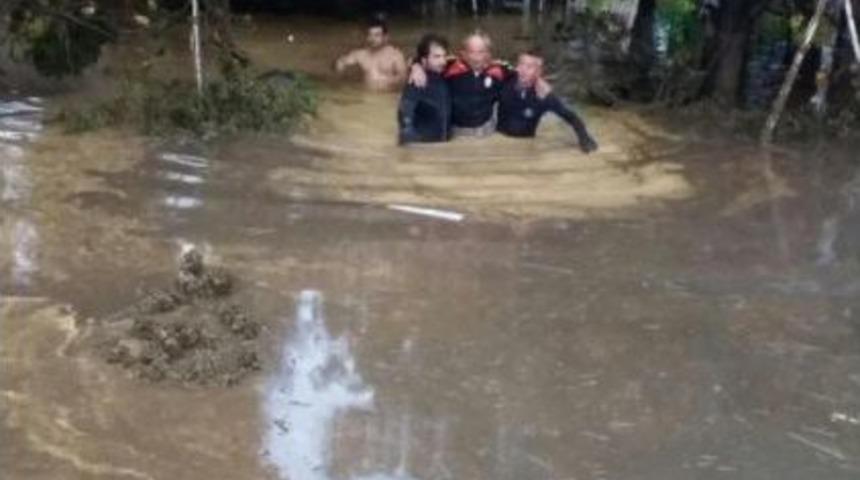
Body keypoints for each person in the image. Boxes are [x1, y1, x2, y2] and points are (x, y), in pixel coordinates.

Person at [408, 31, 550, 137]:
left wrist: (538, 80)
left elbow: (524, 75)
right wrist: (416, 67)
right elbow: (423, 61)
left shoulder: (499, 69)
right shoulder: (450, 66)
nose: (476, 58)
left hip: (487, 131)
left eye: (481, 52)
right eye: (472, 52)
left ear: (488, 53)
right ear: (463, 53)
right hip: (456, 132)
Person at [497, 51, 598, 153]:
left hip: (526, 146)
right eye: (521, 64)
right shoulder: (505, 79)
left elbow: (571, 117)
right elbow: (491, 64)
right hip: (498, 141)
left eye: (529, 67)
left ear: (538, 72)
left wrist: (584, 138)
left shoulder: (544, 95)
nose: (523, 70)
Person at [397, 34, 452, 145]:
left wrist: (414, 64)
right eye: (436, 57)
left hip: (443, 147)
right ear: (424, 60)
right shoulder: (417, 81)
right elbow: (404, 113)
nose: (442, 61)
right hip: (424, 150)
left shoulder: (447, 73)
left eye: (444, 56)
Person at [334, 15, 407, 92]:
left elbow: (403, 78)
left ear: (385, 37)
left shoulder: (395, 55)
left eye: (377, 35)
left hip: (386, 95)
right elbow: (341, 62)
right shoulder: (360, 54)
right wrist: (340, 65)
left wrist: (388, 80)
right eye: (370, 35)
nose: (372, 39)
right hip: (364, 94)